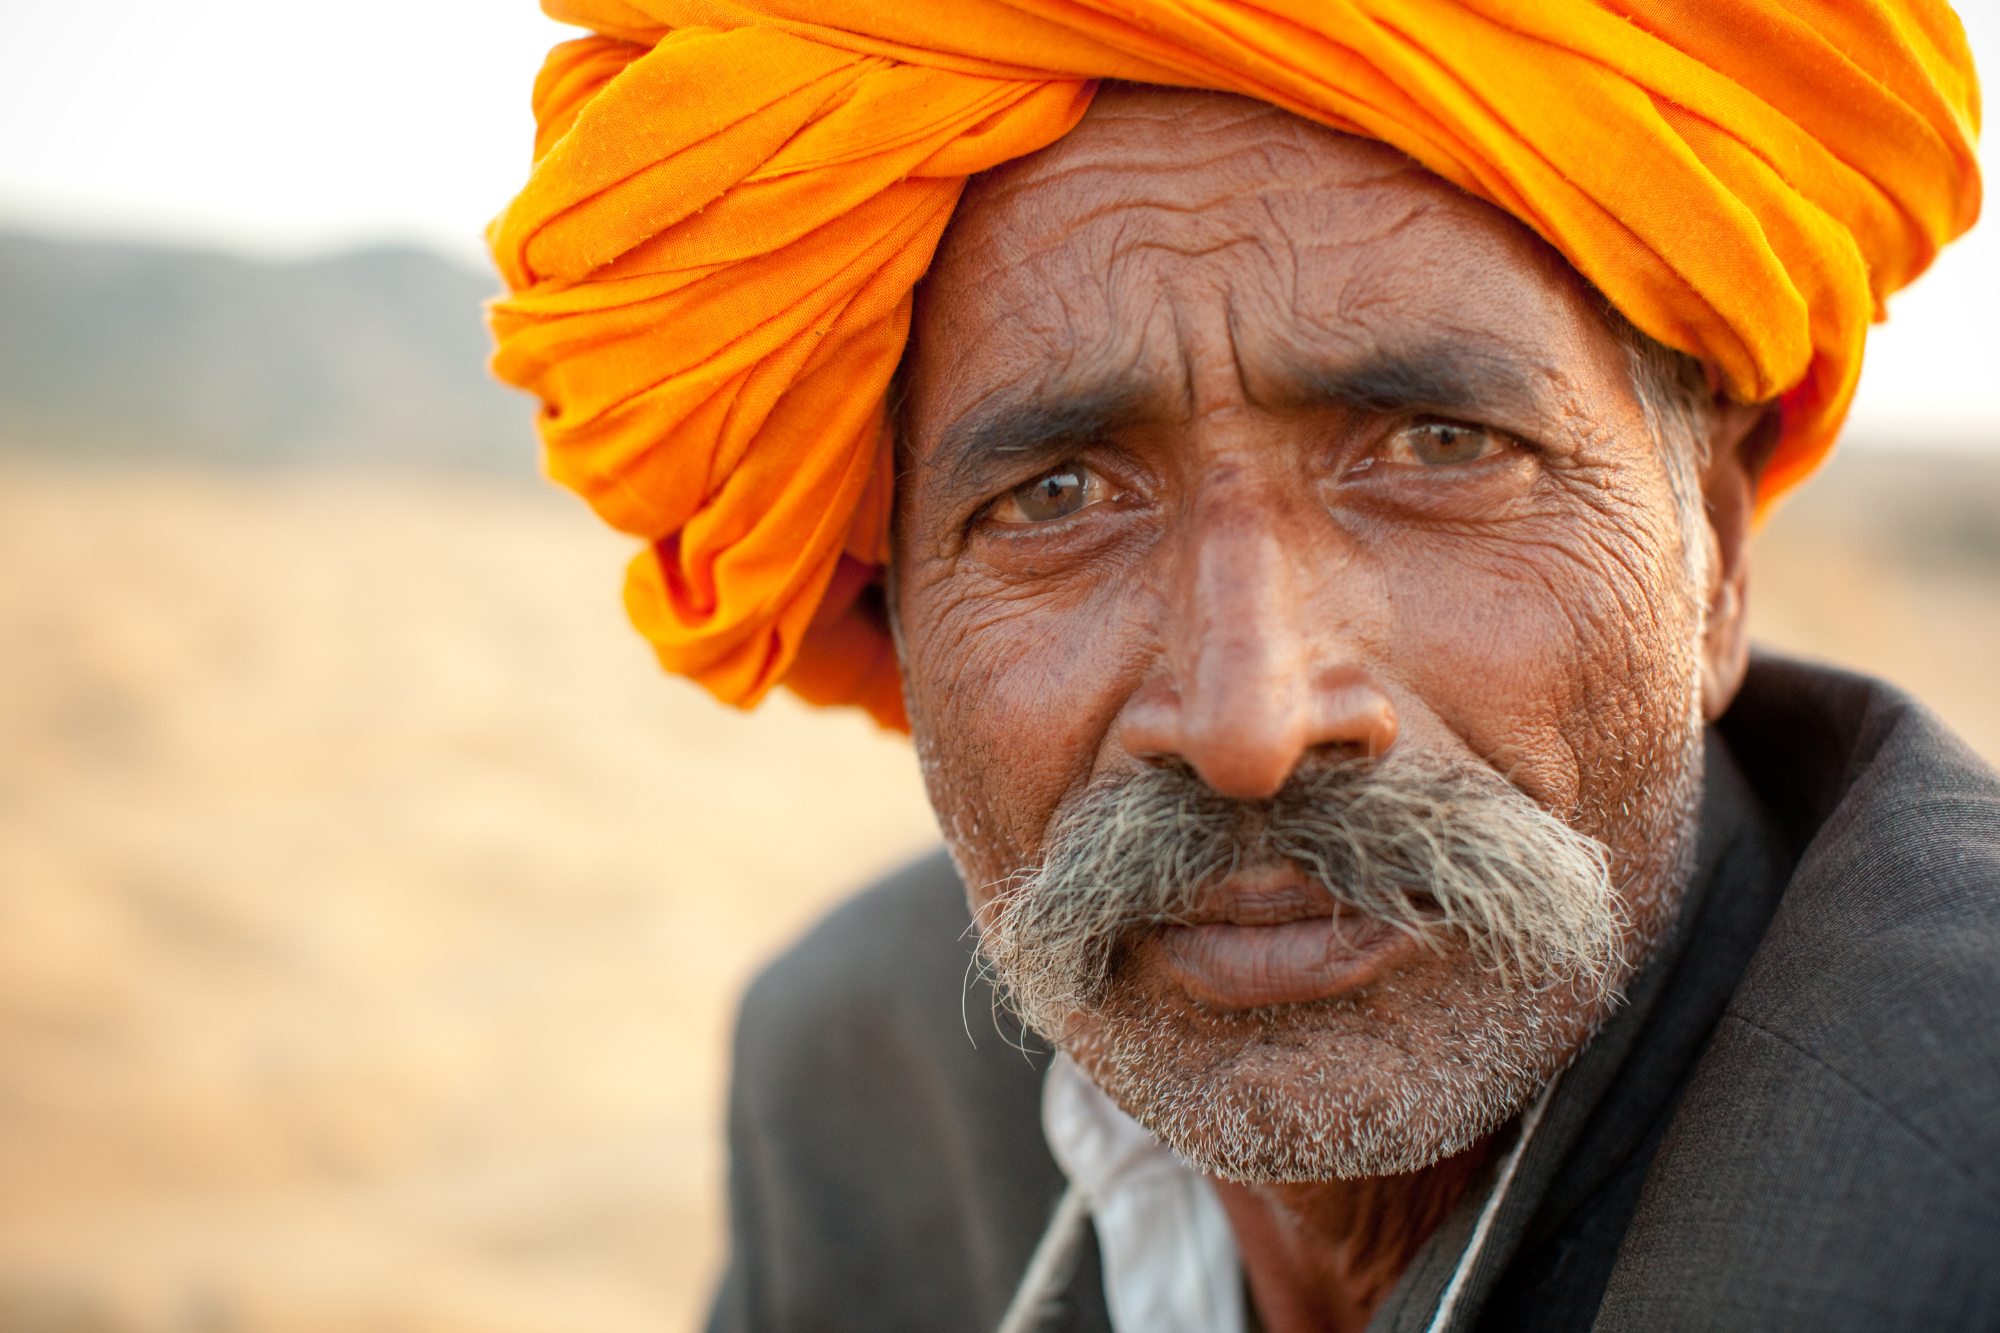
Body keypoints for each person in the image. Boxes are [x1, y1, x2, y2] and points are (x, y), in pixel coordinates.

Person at [487, 3, 1994, 1329]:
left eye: (1441, 448)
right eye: (1058, 495)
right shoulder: (858, 1079)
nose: (1251, 722)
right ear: (894, 609)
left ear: (1715, 555)